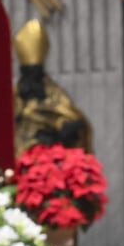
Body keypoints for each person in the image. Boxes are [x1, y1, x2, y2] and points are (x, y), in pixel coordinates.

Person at [13, 18, 92, 155]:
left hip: (48, 160)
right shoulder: (13, 96)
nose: (31, 77)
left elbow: (74, 121)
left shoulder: (54, 94)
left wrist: (59, 133)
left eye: (35, 71)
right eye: (27, 71)